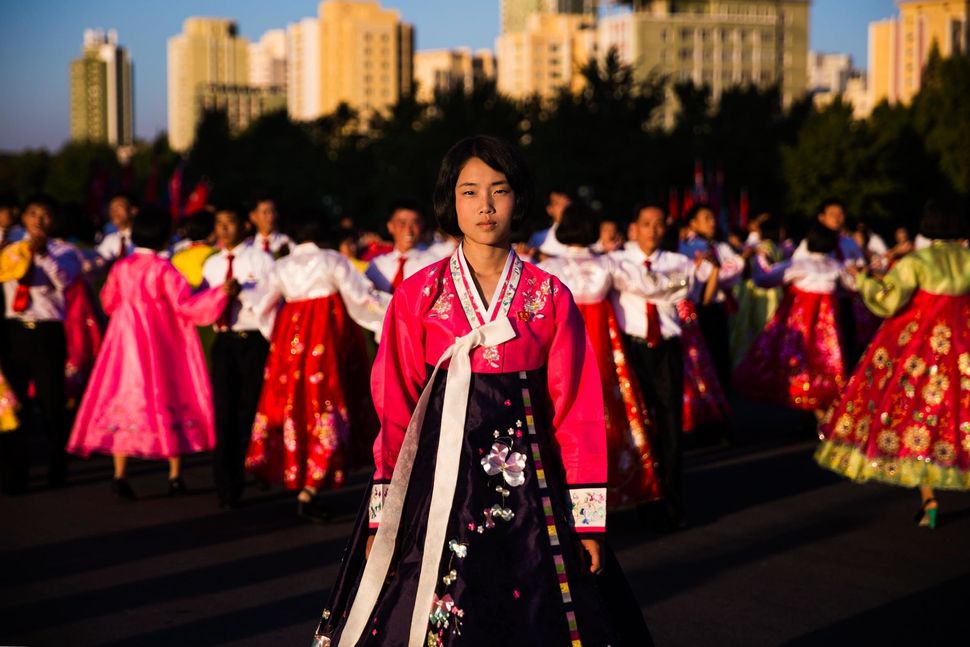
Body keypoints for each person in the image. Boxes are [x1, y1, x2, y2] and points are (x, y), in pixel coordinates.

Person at [313, 135, 651, 647]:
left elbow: (577, 410)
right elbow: (395, 407)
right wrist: (385, 510)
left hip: (533, 498)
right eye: (470, 192)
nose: (486, 206)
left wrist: (587, 521)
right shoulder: (417, 295)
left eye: (500, 190)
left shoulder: (550, 296)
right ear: (451, 201)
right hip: (434, 489)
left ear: (520, 199)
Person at [815, 198, 969, 529]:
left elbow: (888, 299)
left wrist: (864, 281)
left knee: (913, 418)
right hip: (963, 344)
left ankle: (928, 499)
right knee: (960, 415)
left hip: (922, 347)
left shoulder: (918, 261)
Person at [66, 206, 231, 499]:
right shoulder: (164, 269)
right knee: (168, 394)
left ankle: (119, 473)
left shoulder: (122, 267)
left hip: (124, 342)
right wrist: (219, 294)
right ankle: (175, 474)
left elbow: (108, 302)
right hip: (159, 341)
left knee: (123, 396)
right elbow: (186, 305)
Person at [246, 214, 388, 519]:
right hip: (326, 341)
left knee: (296, 405)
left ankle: (303, 478)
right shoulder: (333, 260)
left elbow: (259, 306)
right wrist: (391, 311)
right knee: (326, 403)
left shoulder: (280, 266)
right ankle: (312, 484)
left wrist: (279, 335)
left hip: (291, 344)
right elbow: (361, 298)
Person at [539, 202, 661, 510]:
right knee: (605, 411)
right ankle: (607, 490)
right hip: (598, 344)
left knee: (559, 410)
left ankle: (560, 492)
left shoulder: (548, 268)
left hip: (560, 344)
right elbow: (647, 286)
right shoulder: (607, 265)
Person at [610, 203, 714, 527]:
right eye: (646, 224)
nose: (652, 230)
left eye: (658, 224)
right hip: (632, 348)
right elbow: (665, 289)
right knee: (637, 426)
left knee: (669, 425)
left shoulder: (678, 260)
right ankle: (643, 496)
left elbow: (680, 290)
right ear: (634, 227)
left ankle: (670, 501)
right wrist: (662, 286)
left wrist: (645, 283)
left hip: (665, 348)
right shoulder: (615, 259)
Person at [0, 194, 81, 494]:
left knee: (51, 404)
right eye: (33, 213)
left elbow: (65, 281)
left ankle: (57, 466)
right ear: (23, 217)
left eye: (45, 215)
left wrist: (43, 254)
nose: (38, 220)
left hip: (47, 332)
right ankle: (13, 475)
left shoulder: (65, 251)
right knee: (12, 405)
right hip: (14, 331)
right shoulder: (10, 248)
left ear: (54, 220)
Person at [733, 225, 856, 418]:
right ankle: (822, 411)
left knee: (798, 364)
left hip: (801, 322)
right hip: (828, 326)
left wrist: (759, 259)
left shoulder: (799, 265)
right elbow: (853, 285)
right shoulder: (835, 266)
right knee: (824, 365)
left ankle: (808, 409)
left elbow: (765, 279)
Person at [201, 206, 275, 508]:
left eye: (229, 222)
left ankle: (255, 467)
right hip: (225, 340)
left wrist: (243, 291)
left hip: (253, 340)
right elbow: (203, 299)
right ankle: (226, 484)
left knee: (251, 410)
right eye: (219, 223)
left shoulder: (260, 259)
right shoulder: (213, 264)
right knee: (224, 412)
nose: (223, 229)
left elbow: (272, 297)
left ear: (243, 225)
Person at [678, 203, 744, 393]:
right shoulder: (690, 247)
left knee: (721, 354)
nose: (712, 222)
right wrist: (736, 263)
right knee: (706, 357)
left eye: (713, 218)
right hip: (699, 307)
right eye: (706, 218)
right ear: (693, 223)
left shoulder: (720, 246)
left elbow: (731, 274)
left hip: (718, 305)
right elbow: (711, 275)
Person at [365, 199, 436, 294]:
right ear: (390, 226)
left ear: (421, 225)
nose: (408, 230)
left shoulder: (433, 265)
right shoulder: (376, 266)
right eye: (402, 223)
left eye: (414, 223)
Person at [526, 188, 572, 260]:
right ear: (550, 209)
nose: (564, 207)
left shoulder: (588, 234)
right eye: (557, 203)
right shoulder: (538, 238)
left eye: (566, 202)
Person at [95, 192, 137, 264]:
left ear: (133, 211)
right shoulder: (110, 239)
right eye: (111, 208)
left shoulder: (142, 239)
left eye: (119, 207)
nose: (114, 212)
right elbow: (99, 258)